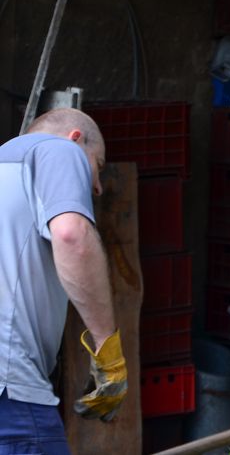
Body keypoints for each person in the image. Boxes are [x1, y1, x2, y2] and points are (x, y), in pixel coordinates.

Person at [0, 107, 128, 455]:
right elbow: (72, 235)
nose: (98, 187)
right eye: (98, 165)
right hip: (10, 394)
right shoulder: (58, 149)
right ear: (76, 139)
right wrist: (108, 352)